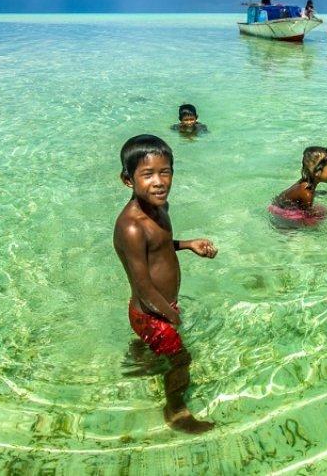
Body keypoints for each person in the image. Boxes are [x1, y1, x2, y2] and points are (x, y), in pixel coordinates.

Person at [114, 134, 217, 434]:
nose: (159, 182)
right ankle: (176, 412)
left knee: (160, 351)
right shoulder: (131, 226)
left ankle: (140, 358)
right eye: (147, 175)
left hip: (159, 307)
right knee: (181, 360)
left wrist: (188, 244)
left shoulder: (160, 208)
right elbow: (143, 286)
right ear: (127, 180)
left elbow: (159, 246)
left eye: (165, 172)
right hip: (151, 311)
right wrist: (172, 318)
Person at [268, 146, 327, 225]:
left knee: (319, 211)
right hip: (281, 214)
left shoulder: (306, 183)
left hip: (279, 206)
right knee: (317, 219)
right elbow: (311, 214)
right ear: (318, 172)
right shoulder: (306, 194)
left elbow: (314, 193)